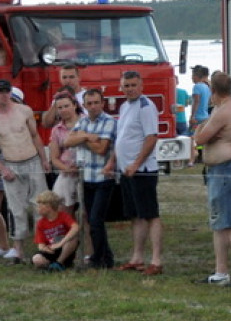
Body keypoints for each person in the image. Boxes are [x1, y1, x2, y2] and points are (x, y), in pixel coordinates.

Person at [193, 72, 231, 288]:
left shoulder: (224, 110)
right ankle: (221, 271)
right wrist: (205, 128)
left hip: (226, 170)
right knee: (219, 223)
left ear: (213, 90)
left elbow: (199, 138)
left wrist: (201, 129)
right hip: (217, 170)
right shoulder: (221, 107)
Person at [104, 71, 163, 275]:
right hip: (126, 170)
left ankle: (156, 260)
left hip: (143, 170)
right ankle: (137, 258)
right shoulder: (124, 106)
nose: (130, 89)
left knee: (150, 214)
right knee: (135, 215)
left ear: (141, 86)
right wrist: (112, 162)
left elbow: (151, 137)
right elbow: (121, 137)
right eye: (126, 85)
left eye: (133, 85)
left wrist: (137, 164)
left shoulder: (146, 107)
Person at [64, 88, 117, 270]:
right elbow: (67, 142)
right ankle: (105, 258)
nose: (93, 106)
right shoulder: (83, 121)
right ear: (84, 105)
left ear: (102, 103)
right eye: (89, 103)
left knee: (95, 220)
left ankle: (99, 258)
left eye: (96, 103)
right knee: (90, 219)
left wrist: (81, 139)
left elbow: (102, 149)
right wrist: (87, 136)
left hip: (103, 178)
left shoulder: (110, 122)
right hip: (86, 178)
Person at [0, 79, 52, 263]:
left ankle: (42, 246)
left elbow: (35, 136)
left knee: (41, 204)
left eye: (6, 92)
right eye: (0, 92)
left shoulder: (24, 111)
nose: (3, 96)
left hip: (32, 161)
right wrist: (3, 169)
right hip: (11, 164)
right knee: (16, 209)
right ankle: (18, 250)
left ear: (10, 92)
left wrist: (44, 159)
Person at [48, 91, 83, 212]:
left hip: (87, 170)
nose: (63, 110)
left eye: (66, 106)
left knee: (86, 211)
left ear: (75, 105)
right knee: (60, 206)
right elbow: (54, 158)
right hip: (68, 171)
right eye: (60, 107)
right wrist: (66, 168)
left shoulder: (87, 122)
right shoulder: (56, 130)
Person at [30, 190, 79, 272]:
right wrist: (46, 249)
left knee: (74, 239)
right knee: (36, 259)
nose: (38, 209)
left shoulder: (63, 216)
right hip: (51, 250)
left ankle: (59, 262)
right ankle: (51, 265)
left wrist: (61, 243)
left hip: (64, 248)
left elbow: (75, 227)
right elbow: (40, 245)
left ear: (48, 207)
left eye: (40, 206)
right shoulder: (40, 223)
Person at [40, 64, 86, 129]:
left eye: (71, 77)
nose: (68, 81)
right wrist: (56, 101)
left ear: (79, 78)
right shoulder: (58, 99)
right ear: (60, 79)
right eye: (64, 77)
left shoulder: (87, 96)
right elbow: (46, 124)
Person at [189, 65, 211, 133]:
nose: (191, 78)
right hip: (205, 117)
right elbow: (208, 101)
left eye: (192, 76)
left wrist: (192, 116)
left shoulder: (197, 86)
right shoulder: (207, 87)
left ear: (196, 76)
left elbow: (196, 101)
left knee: (192, 135)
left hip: (197, 118)